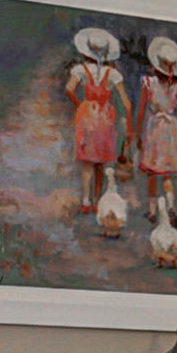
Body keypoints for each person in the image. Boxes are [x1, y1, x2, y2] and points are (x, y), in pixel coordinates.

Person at [62, 27, 129, 214]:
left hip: (87, 116)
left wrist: (81, 105)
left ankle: (85, 200)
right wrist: (128, 125)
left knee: (87, 162)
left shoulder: (80, 70)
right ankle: (98, 200)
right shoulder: (113, 74)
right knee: (101, 162)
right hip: (105, 118)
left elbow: (69, 89)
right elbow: (126, 102)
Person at [133, 35, 177, 217]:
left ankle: (152, 211)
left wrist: (137, 134)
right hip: (171, 130)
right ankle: (171, 206)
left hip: (154, 128)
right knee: (166, 173)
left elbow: (141, 111)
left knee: (152, 171)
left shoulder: (148, 84)